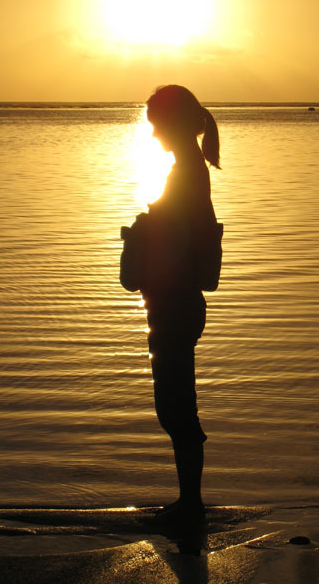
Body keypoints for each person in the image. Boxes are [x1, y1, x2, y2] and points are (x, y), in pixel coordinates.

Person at [120, 85, 223, 525]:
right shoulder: (187, 169)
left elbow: (179, 238)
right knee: (174, 403)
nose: (151, 131)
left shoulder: (186, 173)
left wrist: (143, 230)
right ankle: (188, 501)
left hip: (176, 303)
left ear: (173, 122)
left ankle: (190, 504)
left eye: (155, 122)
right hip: (174, 302)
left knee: (176, 405)